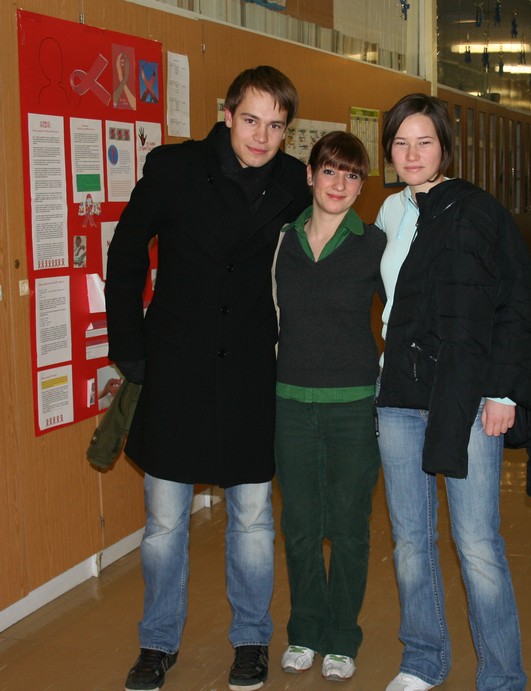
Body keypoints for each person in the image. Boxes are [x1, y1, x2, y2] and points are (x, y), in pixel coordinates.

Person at [105, 65, 311, 691]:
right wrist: (130, 348)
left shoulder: (294, 183)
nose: (261, 136)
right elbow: (126, 253)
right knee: (165, 522)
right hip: (177, 369)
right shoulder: (173, 168)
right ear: (227, 114)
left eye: (275, 126)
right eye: (251, 120)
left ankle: (251, 640)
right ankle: (157, 643)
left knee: (252, 517)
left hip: (251, 370)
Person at [374, 93, 531, 691]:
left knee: (477, 543)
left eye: (424, 142)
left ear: (445, 147)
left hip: (468, 395)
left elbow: (516, 300)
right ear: (389, 151)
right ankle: (422, 659)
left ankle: (502, 677)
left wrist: (504, 391)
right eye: (401, 143)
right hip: (400, 395)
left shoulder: (478, 211)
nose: (412, 154)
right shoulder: (390, 212)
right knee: (410, 541)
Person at [273, 132, 384, 682]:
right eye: (330, 171)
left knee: (348, 528)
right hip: (290, 404)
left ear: (361, 186)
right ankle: (305, 630)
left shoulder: (374, 244)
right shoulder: (281, 242)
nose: (339, 184)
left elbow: (406, 313)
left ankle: (342, 637)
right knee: (298, 526)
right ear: (310, 174)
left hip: (353, 406)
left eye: (352, 175)